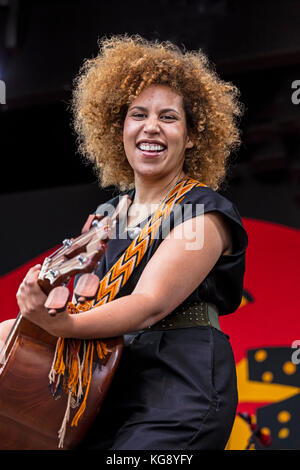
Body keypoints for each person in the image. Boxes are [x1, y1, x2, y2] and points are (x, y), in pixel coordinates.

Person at [0, 35, 248, 450]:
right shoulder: (104, 217)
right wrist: (35, 315)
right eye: (138, 114)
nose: (151, 126)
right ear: (120, 130)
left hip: (179, 389)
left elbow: (150, 303)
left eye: (169, 117)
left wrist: (62, 323)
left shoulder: (201, 211)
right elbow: (78, 294)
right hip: (103, 385)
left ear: (191, 137)